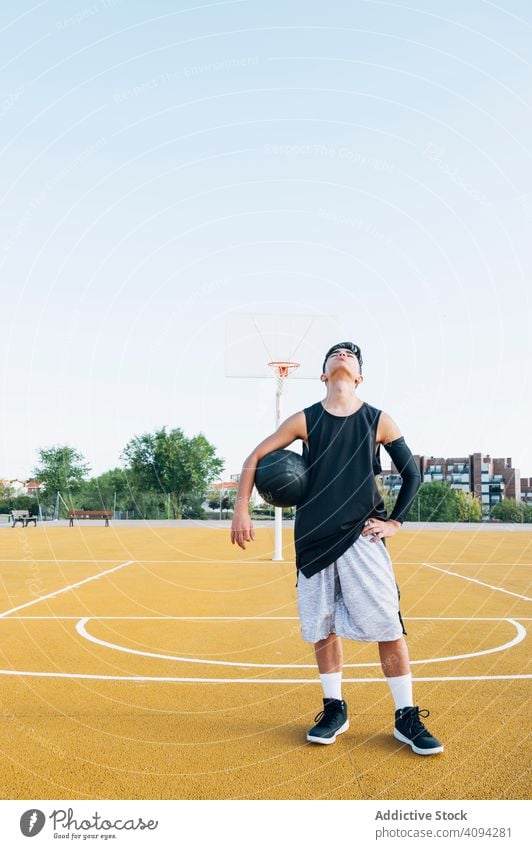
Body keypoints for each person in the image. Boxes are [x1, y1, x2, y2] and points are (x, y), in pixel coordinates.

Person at [230, 342, 444, 755]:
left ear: (359, 376)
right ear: (325, 374)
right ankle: (334, 708)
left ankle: (406, 716)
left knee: (388, 625)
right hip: (313, 539)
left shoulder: (379, 420)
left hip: (363, 538)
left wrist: (395, 521)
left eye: (350, 355)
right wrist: (242, 509)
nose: (343, 354)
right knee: (322, 626)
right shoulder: (306, 420)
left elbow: (412, 474)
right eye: (335, 354)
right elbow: (256, 455)